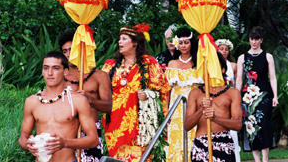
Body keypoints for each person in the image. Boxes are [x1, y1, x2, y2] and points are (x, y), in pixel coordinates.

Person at [101, 24, 171, 161]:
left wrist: (149, 95)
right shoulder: (110, 64)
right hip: (114, 121)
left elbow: (163, 88)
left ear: (134, 43)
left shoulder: (148, 63)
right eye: (119, 39)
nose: (119, 42)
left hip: (139, 123)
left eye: (124, 39)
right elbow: (100, 89)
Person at [18, 51, 99, 162]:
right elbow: (23, 138)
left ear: (65, 72)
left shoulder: (77, 100)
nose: (50, 73)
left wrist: (65, 143)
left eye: (55, 68)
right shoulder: (32, 101)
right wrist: (28, 145)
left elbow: (94, 139)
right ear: (42, 71)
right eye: (46, 68)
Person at [58, 31, 112, 161]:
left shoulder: (100, 76)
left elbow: (108, 107)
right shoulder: (60, 77)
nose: (68, 54)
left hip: (91, 131)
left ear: (81, 50)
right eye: (64, 51)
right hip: (67, 131)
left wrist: (91, 100)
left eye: (71, 50)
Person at [184, 52, 242, 162]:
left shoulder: (232, 93)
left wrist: (215, 118)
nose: (210, 70)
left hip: (224, 143)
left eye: (214, 66)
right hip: (201, 143)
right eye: (208, 67)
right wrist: (201, 110)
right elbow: (187, 126)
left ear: (223, 69)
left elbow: (238, 125)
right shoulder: (195, 93)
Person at [235, 27, 278, 162]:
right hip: (248, 97)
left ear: (261, 40)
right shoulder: (242, 58)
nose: (254, 42)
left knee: (264, 124)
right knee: (250, 126)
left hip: (265, 95)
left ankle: (265, 159)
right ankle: (256, 160)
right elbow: (239, 79)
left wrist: (275, 96)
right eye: (251, 39)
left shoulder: (268, 56)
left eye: (256, 39)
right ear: (249, 40)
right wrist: (236, 98)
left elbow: (272, 77)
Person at [165, 27, 204, 162]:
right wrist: (166, 110)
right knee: (177, 139)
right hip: (175, 109)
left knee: (194, 138)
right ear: (177, 44)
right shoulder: (172, 63)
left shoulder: (199, 63)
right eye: (180, 43)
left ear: (191, 43)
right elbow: (167, 90)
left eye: (186, 42)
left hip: (195, 108)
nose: (183, 46)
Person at [215, 38, 240, 161]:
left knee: (232, 129)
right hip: (217, 99)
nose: (224, 51)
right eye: (221, 49)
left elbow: (237, 82)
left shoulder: (233, 66)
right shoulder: (213, 65)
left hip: (230, 97)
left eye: (226, 49)